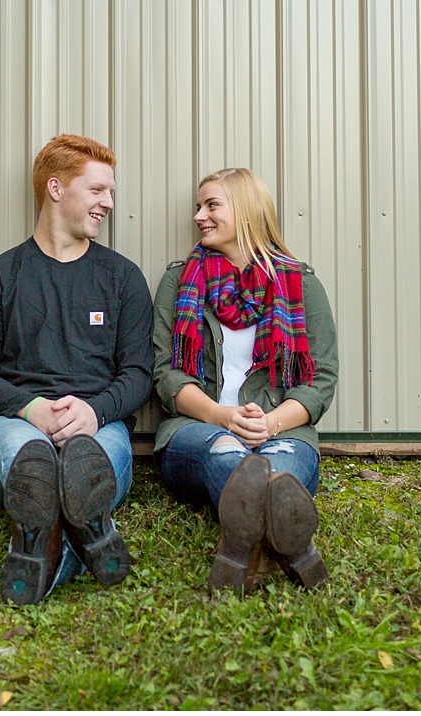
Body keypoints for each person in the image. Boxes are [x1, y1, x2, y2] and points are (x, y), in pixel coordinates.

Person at [0, 134, 153, 605]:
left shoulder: (122, 278)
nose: (108, 203)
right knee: (32, 464)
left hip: (97, 427)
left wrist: (96, 412)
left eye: (111, 193)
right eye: (98, 190)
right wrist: (29, 409)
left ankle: (42, 549)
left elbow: (139, 373)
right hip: (16, 425)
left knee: (88, 462)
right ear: (56, 188)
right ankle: (85, 530)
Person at [152, 167, 338, 592]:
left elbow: (321, 378)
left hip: (282, 428)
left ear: (248, 212)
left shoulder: (301, 286)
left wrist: (268, 424)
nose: (199, 216)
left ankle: (246, 548)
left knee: (281, 467)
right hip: (197, 428)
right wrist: (222, 416)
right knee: (231, 459)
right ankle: (286, 545)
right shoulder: (179, 282)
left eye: (212, 205)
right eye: (199, 207)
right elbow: (165, 372)